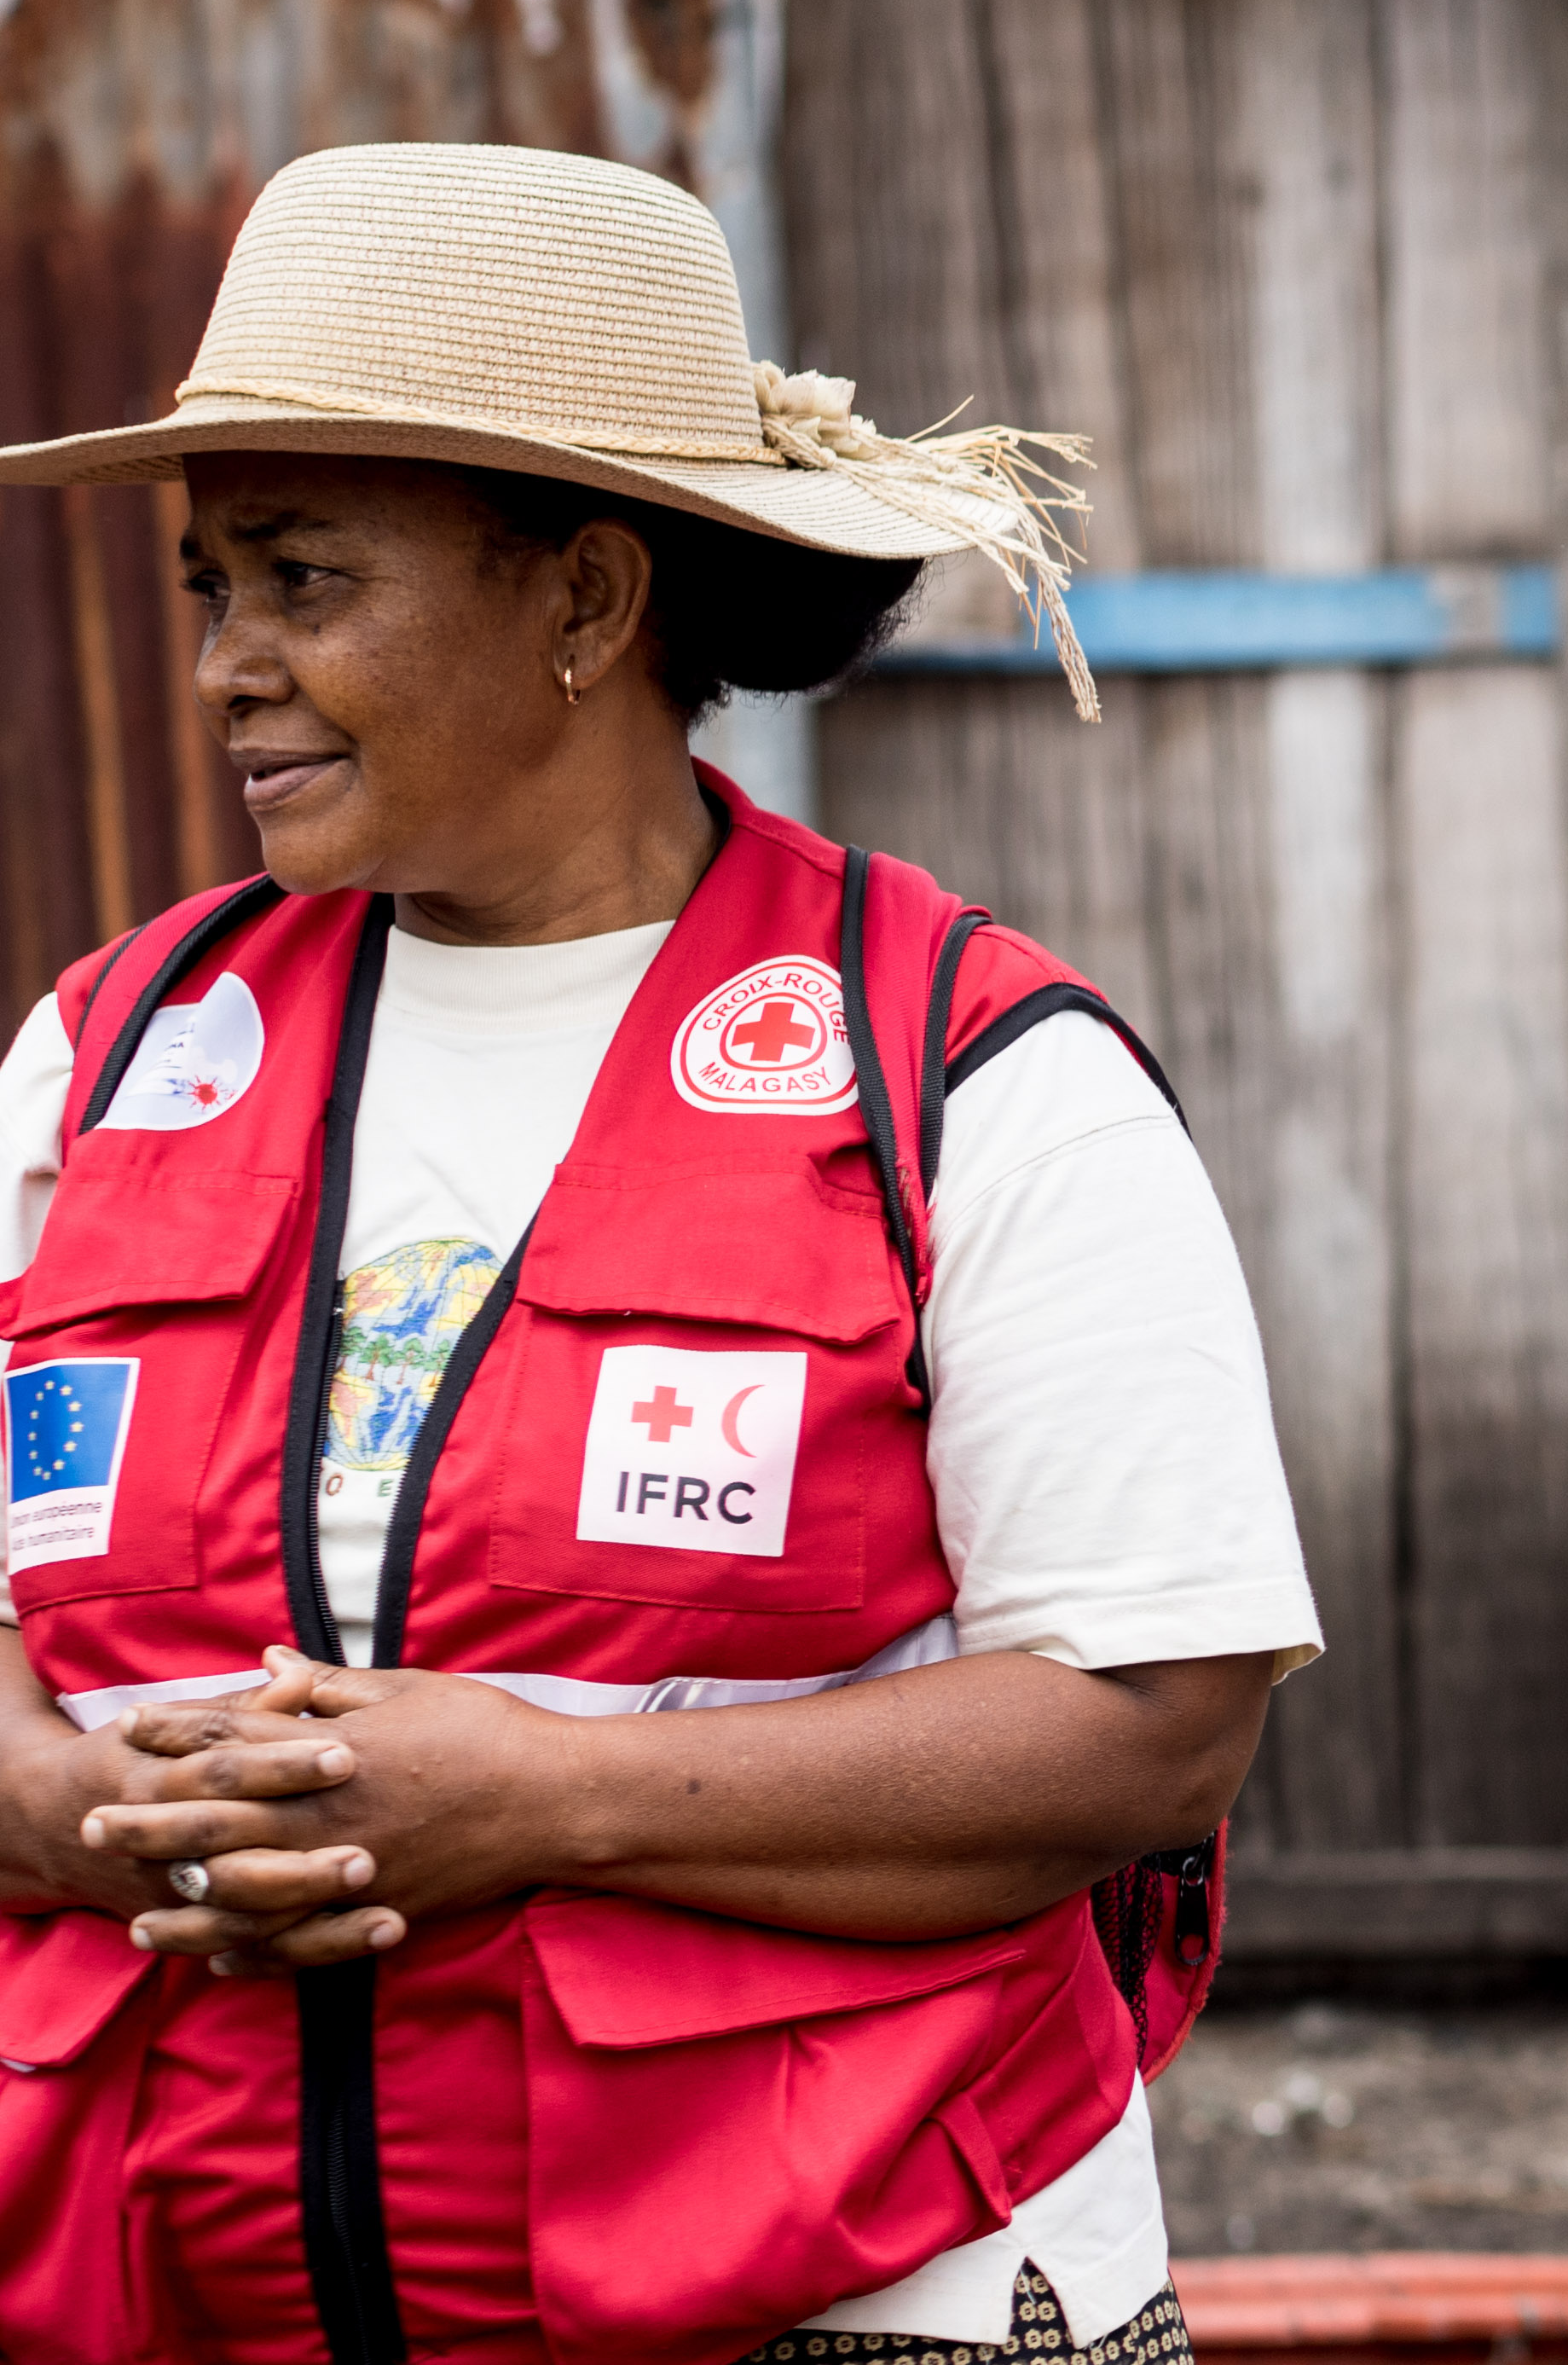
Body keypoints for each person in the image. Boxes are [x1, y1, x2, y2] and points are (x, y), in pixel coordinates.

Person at [0, 142, 1319, 2364]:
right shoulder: (108, 1064)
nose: (230, 666)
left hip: (849, 2290)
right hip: (199, 2292)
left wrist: (545, 1799)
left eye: (305, 580)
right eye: (214, 585)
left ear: (592, 605)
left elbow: (1153, 1727)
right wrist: (47, 1808)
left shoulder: (958, 1078)